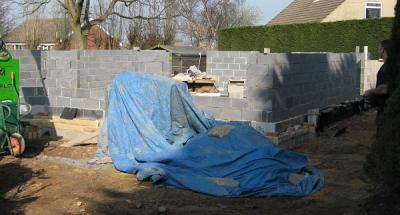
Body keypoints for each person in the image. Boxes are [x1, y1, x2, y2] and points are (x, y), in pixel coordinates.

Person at [364, 40, 392, 113]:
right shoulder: (391, 65)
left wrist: (370, 91)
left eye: (379, 48)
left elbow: (386, 88)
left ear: (382, 50)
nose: (378, 51)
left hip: (387, 110)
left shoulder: (388, 67)